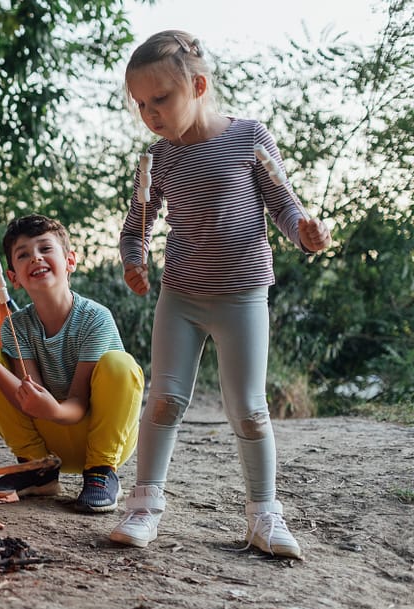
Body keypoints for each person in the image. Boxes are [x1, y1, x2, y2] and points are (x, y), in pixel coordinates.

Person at [108, 30, 332, 559]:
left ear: (199, 85)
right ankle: (145, 506)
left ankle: (264, 516)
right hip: (181, 297)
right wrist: (134, 262)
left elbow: (284, 206)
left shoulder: (250, 136)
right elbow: (133, 228)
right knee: (164, 399)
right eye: (141, 104)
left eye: (160, 99)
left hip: (243, 296)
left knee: (250, 410)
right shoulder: (158, 159)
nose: (150, 113)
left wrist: (304, 230)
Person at [0, 214, 144, 513]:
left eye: (45, 249)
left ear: (70, 261)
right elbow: (28, 395)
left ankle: (102, 473)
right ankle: (37, 471)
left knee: (120, 364)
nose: (35, 257)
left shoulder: (95, 318)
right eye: (23, 255)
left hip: (95, 435)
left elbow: (77, 404)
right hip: (51, 437)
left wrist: (52, 408)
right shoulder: (16, 326)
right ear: (14, 278)